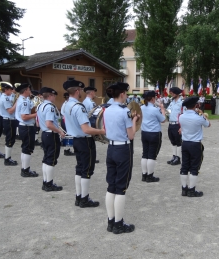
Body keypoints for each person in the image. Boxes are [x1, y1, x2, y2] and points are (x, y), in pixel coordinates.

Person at [103, 82, 139, 234]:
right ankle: (119, 224)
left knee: (111, 186)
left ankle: (111, 221)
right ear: (122, 94)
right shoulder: (124, 111)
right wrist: (135, 121)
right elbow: (131, 135)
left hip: (111, 148)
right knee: (121, 187)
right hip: (123, 149)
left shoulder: (107, 109)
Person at [63, 79, 105, 208]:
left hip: (75, 140)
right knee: (87, 170)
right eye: (80, 90)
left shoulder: (65, 105)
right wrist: (102, 131)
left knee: (80, 168)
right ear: (77, 91)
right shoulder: (78, 107)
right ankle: (84, 199)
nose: (81, 92)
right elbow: (86, 129)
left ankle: (79, 196)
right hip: (85, 140)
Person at [179, 96, 210, 197]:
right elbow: (208, 124)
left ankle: (184, 189)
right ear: (196, 105)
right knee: (194, 167)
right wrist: (201, 113)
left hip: (185, 143)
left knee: (184, 166)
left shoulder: (182, 116)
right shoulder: (199, 117)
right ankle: (192, 190)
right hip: (195, 144)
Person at [37, 87, 65, 192]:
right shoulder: (50, 107)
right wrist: (60, 131)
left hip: (45, 134)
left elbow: (39, 122)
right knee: (51, 160)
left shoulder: (40, 105)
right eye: (54, 95)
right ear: (50, 95)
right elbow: (49, 124)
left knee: (46, 159)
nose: (55, 97)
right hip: (51, 134)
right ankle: (49, 184)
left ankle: (45, 182)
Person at [140, 91, 166, 183]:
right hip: (154, 133)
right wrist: (162, 110)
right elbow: (163, 120)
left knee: (145, 153)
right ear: (152, 99)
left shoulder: (141, 107)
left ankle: (144, 174)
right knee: (152, 155)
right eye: (154, 98)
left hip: (144, 132)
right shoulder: (155, 109)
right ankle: (150, 176)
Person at [15, 83, 39, 177]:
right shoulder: (24, 101)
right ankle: (25, 170)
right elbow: (24, 117)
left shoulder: (24, 99)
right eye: (29, 89)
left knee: (25, 148)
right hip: (27, 126)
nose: (30, 91)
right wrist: (37, 114)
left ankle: (25, 168)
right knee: (28, 149)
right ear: (25, 91)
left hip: (25, 126)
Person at [0, 83, 18, 166]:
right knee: (10, 139)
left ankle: (8, 158)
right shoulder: (5, 98)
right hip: (9, 120)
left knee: (11, 139)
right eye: (10, 89)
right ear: (6, 90)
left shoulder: (5, 97)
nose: (12, 91)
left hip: (10, 120)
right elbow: (10, 111)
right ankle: (7, 159)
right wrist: (17, 102)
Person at [82, 86, 100, 163]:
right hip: (90, 124)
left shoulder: (84, 101)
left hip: (84, 124)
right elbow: (95, 114)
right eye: (94, 92)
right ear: (92, 92)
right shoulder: (91, 103)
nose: (95, 94)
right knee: (91, 144)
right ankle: (92, 158)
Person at [167, 87, 183, 165]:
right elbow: (168, 111)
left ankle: (178, 158)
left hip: (177, 124)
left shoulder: (182, 102)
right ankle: (174, 156)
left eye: (172, 92)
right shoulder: (172, 102)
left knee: (178, 142)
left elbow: (184, 115)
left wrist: (181, 127)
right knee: (173, 141)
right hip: (171, 124)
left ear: (176, 93)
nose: (171, 94)